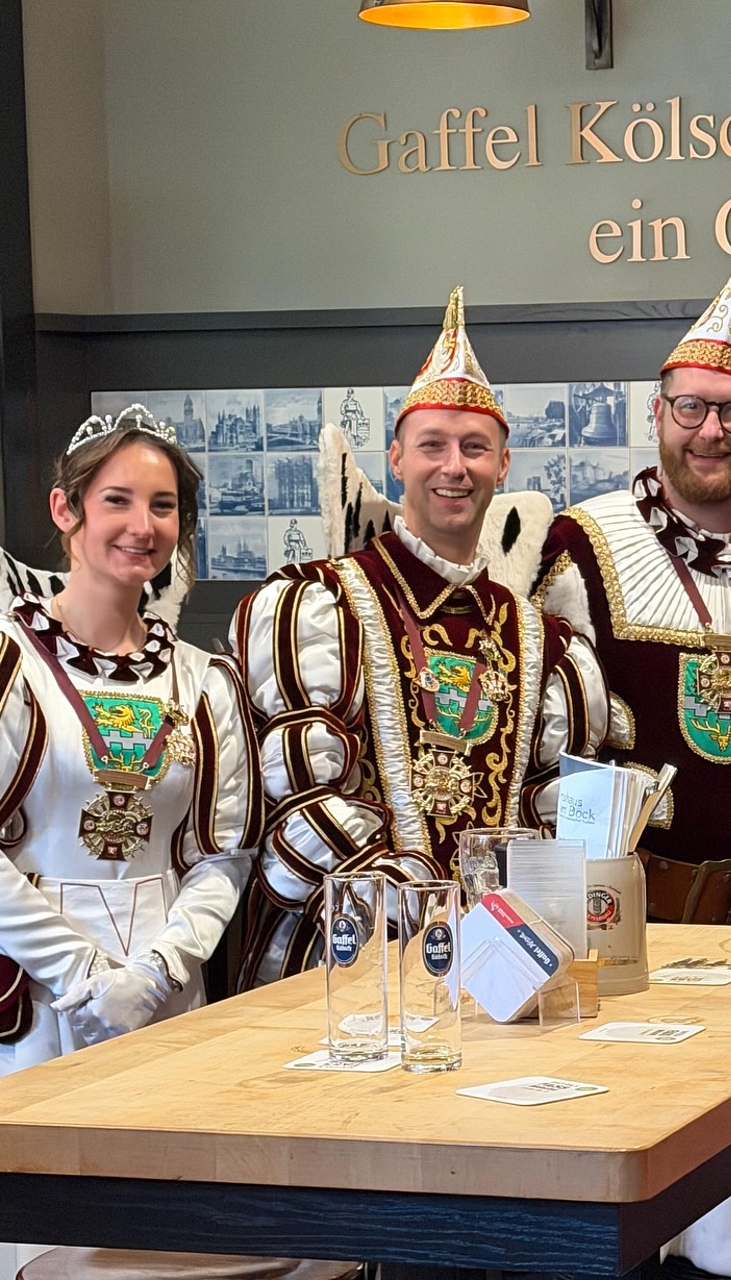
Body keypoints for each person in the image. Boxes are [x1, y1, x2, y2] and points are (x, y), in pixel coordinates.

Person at [234, 289, 608, 985]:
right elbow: (295, 799)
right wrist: (412, 910)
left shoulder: (540, 637)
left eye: (475, 448)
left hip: (501, 969)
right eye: (432, 446)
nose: (453, 467)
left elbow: (549, 800)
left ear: (504, 463)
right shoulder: (324, 604)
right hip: (347, 964)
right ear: (397, 457)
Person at [535, 255, 731, 922]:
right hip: (620, 924)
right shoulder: (578, 547)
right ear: (658, 412)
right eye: (691, 407)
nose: (711, 430)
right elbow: (542, 754)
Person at [0, 404, 263, 1075]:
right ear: (66, 509)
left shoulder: (206, 684)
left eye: (164, 506)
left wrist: (155, 973)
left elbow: (223, 853)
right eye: (117, 500)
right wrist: (83, 973)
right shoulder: (10, 664)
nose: (143, 527)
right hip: (37, 992)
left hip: (165, 996)